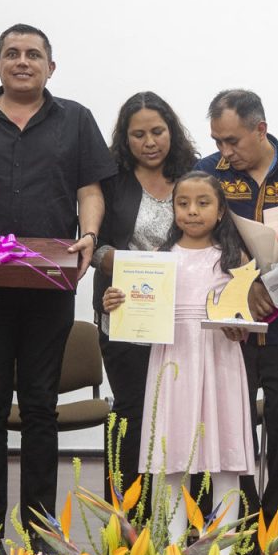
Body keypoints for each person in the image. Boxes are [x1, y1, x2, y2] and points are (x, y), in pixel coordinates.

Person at [0, 24, 114, 544]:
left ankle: (42, 528)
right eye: (11, 54)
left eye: (33, 54)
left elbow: (91, 188)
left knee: (40, 405)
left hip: (50, 284)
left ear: (50, 68)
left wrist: (89, 235)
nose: (22, 61)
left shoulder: (75, 119)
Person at [196, 89, 278, 547]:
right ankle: (241, 527)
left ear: (261, 129)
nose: (224, 152)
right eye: (217, 141)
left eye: (232, 141)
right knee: (233, 431)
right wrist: (236, 291)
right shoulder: (208, 173)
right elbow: (201, 244)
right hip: (233, 328)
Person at [101, 172, 255, 538]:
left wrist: (240, 325)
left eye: (203, 203)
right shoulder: (158, 259)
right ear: (173, 209)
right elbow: (136, 305)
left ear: (220, 212)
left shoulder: (234, 258)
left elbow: (245, 316)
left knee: (225, 456)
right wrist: (115, 302)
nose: (192, 211)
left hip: (220, 363)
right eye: (183, 203)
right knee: (169, 456)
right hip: (172, 363)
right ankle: (171, 548)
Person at [94, 93, 199, 501]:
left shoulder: (194, 173)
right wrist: (126, 263)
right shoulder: (108, 179)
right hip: (123, 311)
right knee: (132, 414)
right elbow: (93, 246)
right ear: (125, 138)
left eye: (157, 131)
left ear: (171, 130)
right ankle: (125, 519)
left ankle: (182, 517)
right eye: (138, 134)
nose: (150, 141)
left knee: (182, 414)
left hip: (183, 317)